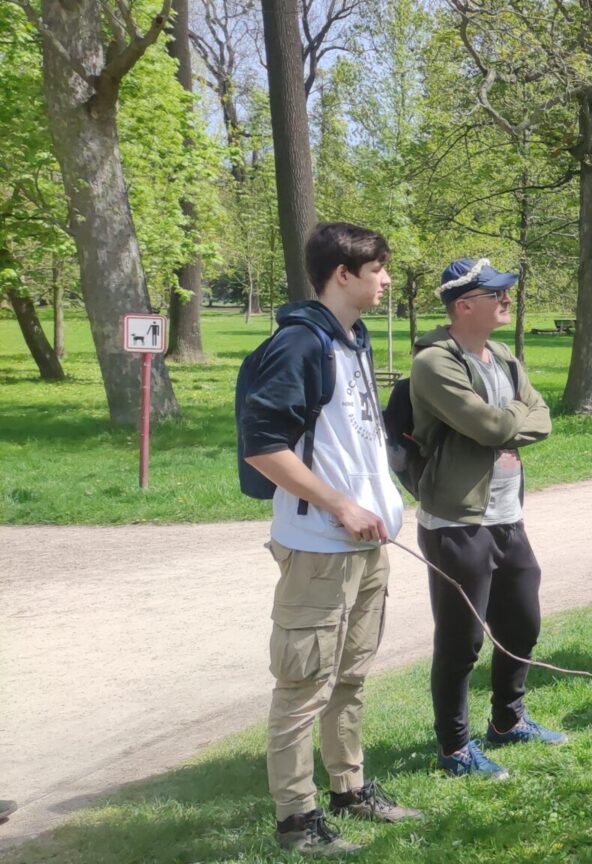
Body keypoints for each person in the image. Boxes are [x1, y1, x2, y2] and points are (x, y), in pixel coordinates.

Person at [239, 223, 419, 854]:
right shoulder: (298, 344)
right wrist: (340, 505)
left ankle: (349, 787)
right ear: (343, 275)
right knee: (303, 687)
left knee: (351, 677)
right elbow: (263, 447)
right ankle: (297, 819)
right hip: (319, 547)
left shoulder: (353, 340)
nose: (386, 279)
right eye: (377, 269)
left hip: (367, 547)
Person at [410, 258, 564, 781]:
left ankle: (507, 721)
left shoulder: (502, 356)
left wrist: (508, 420)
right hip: (456, 520)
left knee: (522, 622)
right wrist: (512, 418)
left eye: (505, 292)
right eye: (495, 293)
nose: (506, 300)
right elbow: (489, 427)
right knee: (461, 641)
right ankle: (454, 747)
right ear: (463, 305)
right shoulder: (434, 363)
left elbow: (543, 418)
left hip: (507, 515)